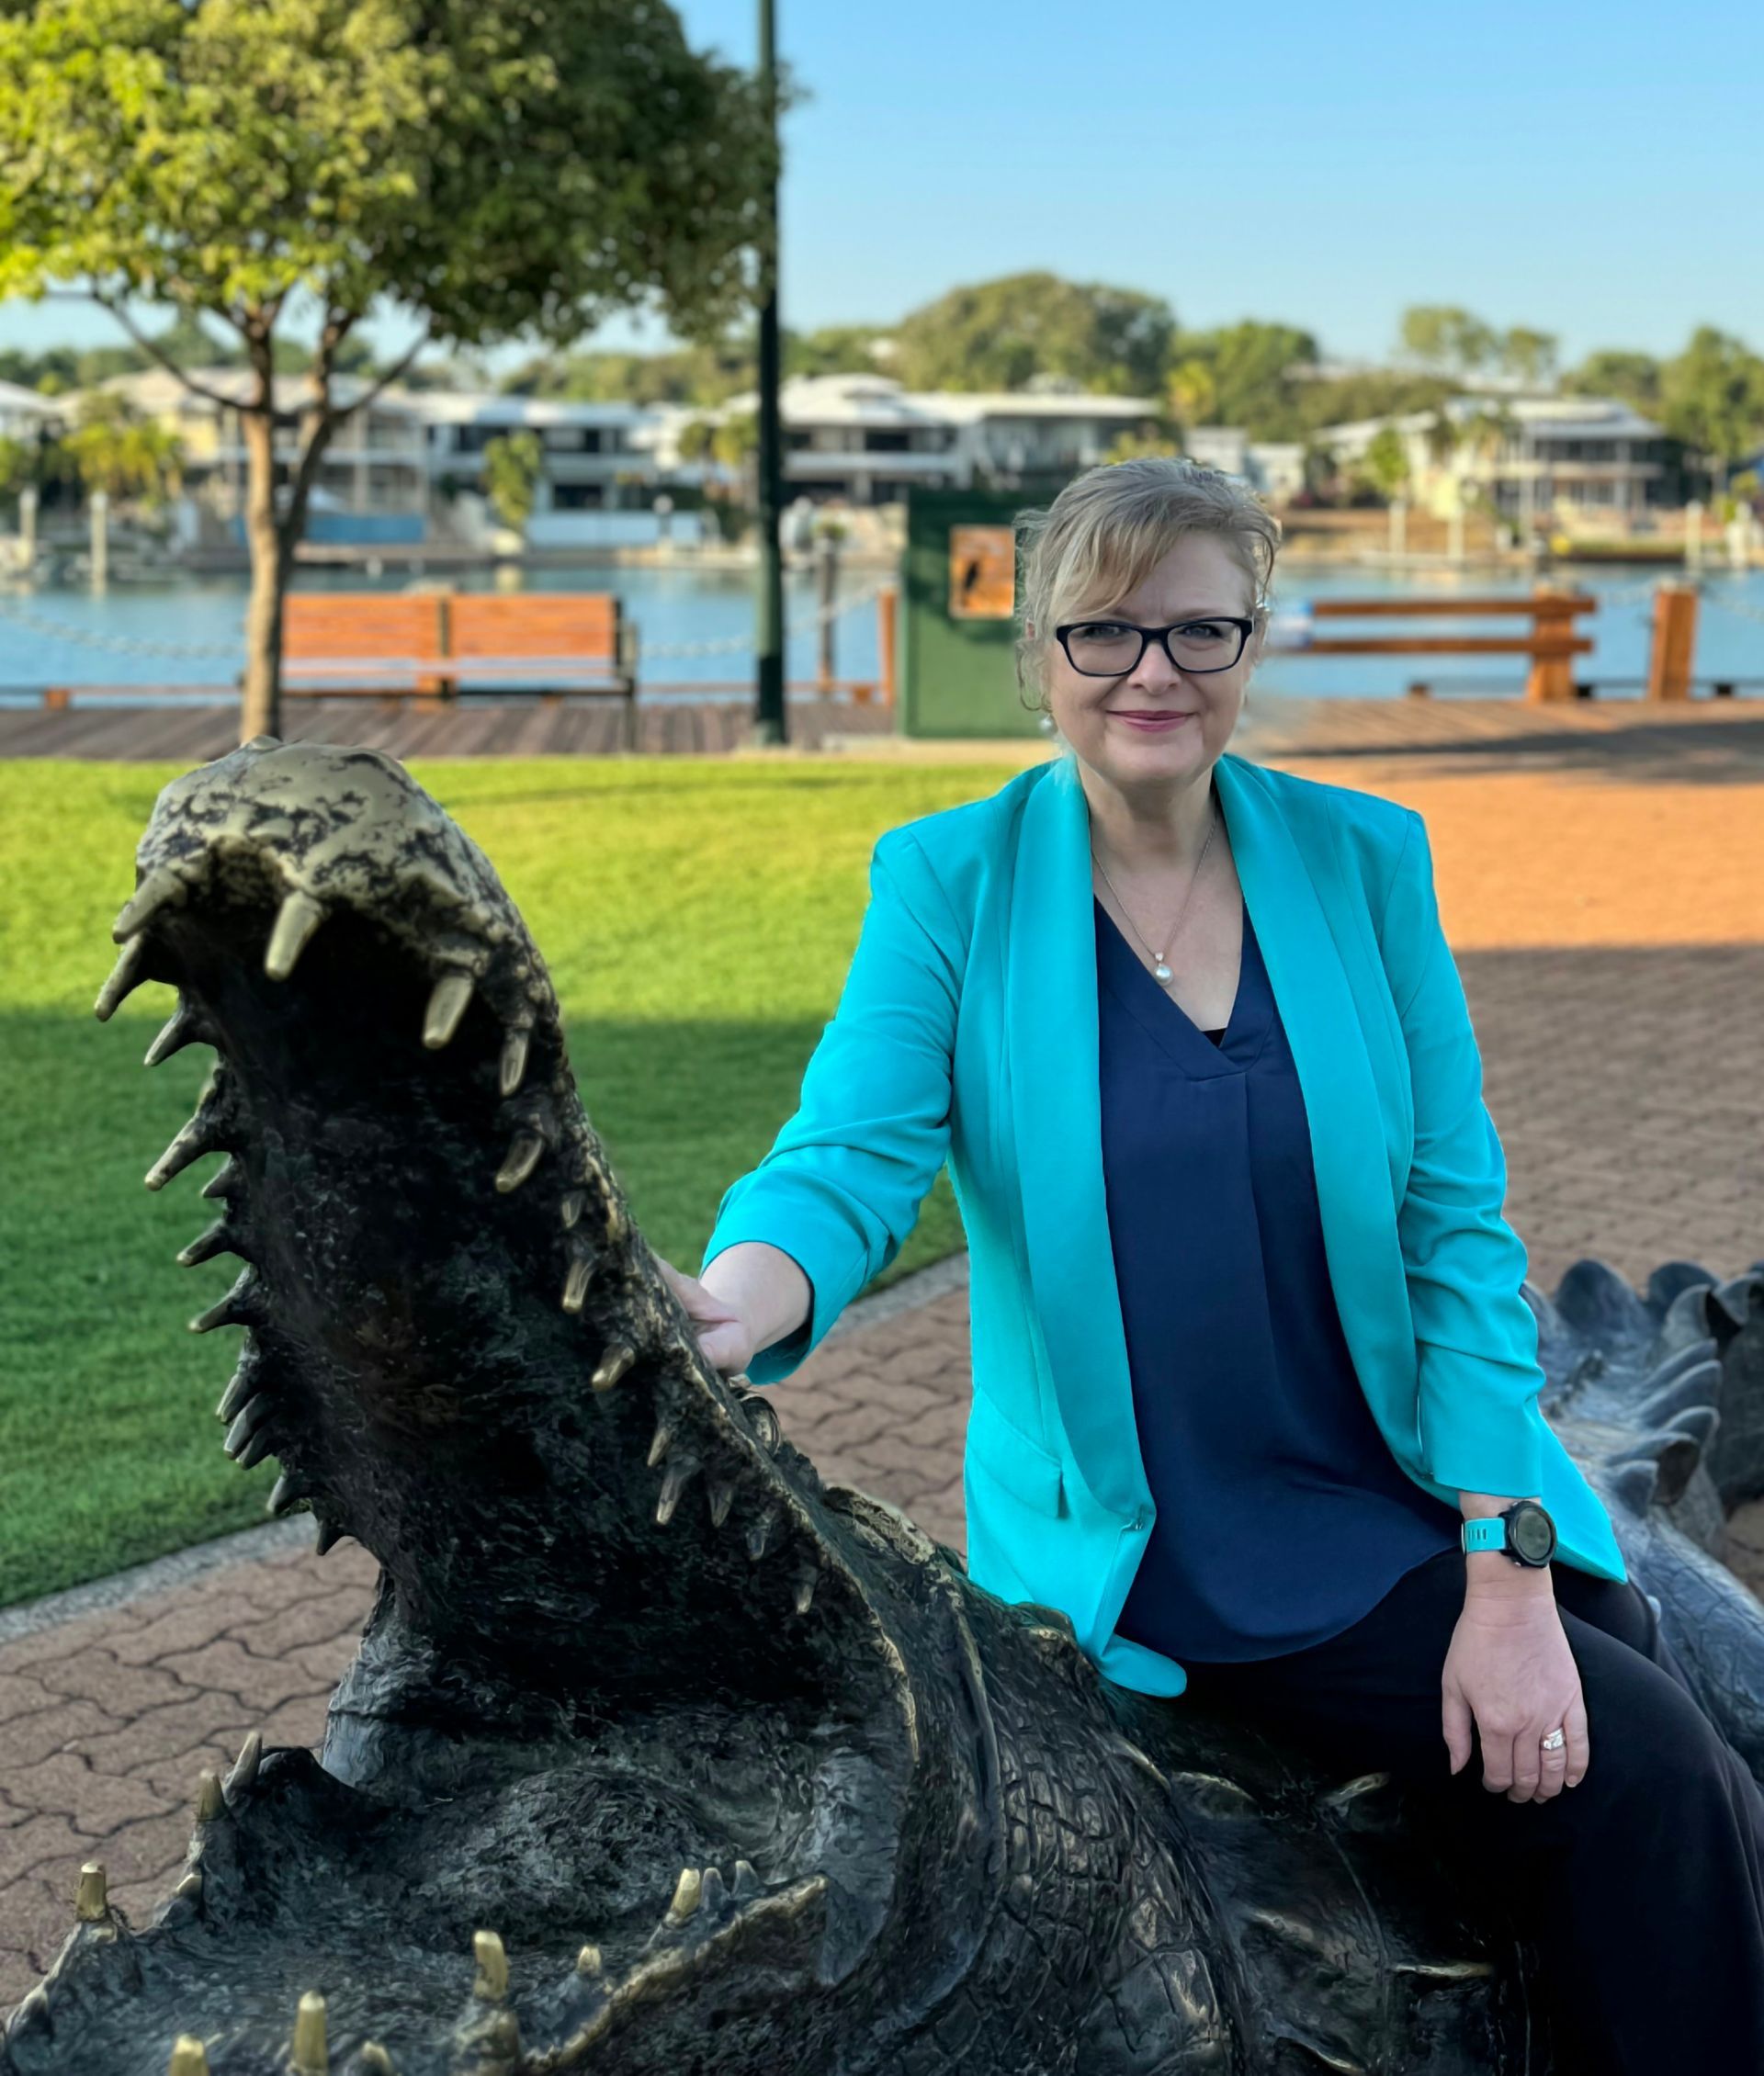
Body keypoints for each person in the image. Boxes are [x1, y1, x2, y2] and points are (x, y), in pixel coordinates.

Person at [657, 457, 1764, 2071]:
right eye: (1104, 631)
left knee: (1637, 1688)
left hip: (1410, 1472)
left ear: (1253, 645)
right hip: (1183, 1530)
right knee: (1644, 1769)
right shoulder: (950, 886)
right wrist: (737, 1303)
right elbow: (849, 1157)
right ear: (1040, 658)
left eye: (1197, 631)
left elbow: (1456, 1230)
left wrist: (1510, 1565)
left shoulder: (1363, 861)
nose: (1152, 672)